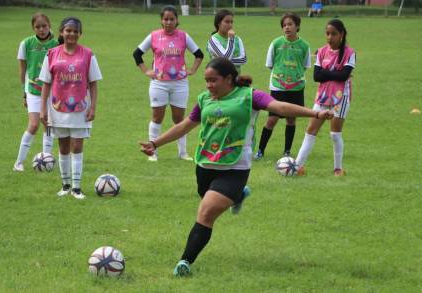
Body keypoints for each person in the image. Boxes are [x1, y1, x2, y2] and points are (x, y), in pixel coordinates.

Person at [139, 57, 333, 276]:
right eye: (206, 80)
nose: (209, 85)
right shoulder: (204, 99)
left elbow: (280, 107)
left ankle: (185, 262)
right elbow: (185, 126)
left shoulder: (250, 96)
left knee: (206, 212)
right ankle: (238, 196)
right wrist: (155, 144)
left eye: (214, 80)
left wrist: (315, 113)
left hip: (235, 168)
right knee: (205, 198)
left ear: (229, 79)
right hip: (205, 164)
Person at [39, 17, 102, 199]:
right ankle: (65, 185)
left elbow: (93, 83)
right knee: (63, 145)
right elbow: (46, 84)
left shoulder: (88, 54)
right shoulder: (51, 54)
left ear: (80, 34)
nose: (71, 34)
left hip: (80, 108)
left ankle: (76, 187)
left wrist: (93, 107)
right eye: (68, 30)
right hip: (57, 107)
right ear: (61, 32)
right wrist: (43, 109)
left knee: (77, 145)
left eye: (75, 31)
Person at [133, 5, 204, 162]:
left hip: (180, 84)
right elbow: (137, 54)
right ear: (161, 20)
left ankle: (183, 153)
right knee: (157, 117)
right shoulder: (153, 36)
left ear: (177, 20)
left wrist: (192, 70)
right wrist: (146, 71)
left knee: (179, 119)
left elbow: (199, 54)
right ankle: (153, 153)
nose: (169, 22)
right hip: (159, 83)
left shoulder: (184, 36)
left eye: (172, 19)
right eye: (166, 19)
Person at [295, 19, 356, 177]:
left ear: (341, 34)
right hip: (322, 97)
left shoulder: (350, 53)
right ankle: (297, 166)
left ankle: (338, 168)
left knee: (335, 134)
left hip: (341, 98)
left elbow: (343, 76)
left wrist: (327, 73)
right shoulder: (321, 52)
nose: (330, 37)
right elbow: (317, 76)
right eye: (328, 33)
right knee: (310, 131)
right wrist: (335, 73)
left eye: (334, 34)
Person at [254, 13, 311, 160]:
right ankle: (260, 150)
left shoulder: (304, 46)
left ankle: (287, 151)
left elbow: (305, 66)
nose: (287, 27)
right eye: (284, 25)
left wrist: (293, 77)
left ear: (297, 26)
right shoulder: (276, 44)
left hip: (296, 87)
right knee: (272, 119)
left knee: (291, 119)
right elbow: (270, 64)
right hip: (278, 87)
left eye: (290, 24)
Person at [13, 13, 58, 172]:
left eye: (44, 26)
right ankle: (19, 162)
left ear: (49, 25)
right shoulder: (26, 43)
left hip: (52, 90)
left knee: (48, 125)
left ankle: (47, 160)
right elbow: (23, 69)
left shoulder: (57, 44)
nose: (41, 29)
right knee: (33, 125)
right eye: (37, 27)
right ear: (33, 28)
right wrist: (24, 93)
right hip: (33, 90)